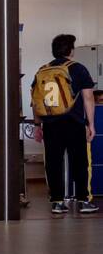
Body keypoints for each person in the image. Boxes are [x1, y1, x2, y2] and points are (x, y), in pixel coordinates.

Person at [30, 34, 97, 215]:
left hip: (50, 124)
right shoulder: (78, 69)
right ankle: (84, 201)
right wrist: (91, 124)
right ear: (71, 51)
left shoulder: (42, 70)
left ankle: (57, 202)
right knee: (81, 162)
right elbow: (88, 97)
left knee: (53, 163)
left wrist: (37, 125)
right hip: (74, 122)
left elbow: (36, 100)